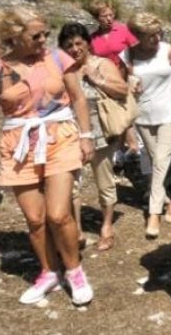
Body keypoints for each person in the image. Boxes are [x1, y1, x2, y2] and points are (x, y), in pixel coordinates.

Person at [0, 8, 95, 306]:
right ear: (15, 36)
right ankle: (49, 272)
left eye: (45, 34)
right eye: (36, 35)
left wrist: (87, 136)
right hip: (18, 147)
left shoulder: (57, 59)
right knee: (35, 219)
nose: (44, 40)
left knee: (58, 213)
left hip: (60, 137)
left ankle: (75, 271)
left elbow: (78, 98)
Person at [58, 22, 128, 251]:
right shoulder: (62, 71)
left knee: (104, 181)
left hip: (100, 131)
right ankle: (76, 230)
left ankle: (107, 225)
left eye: (79, 43)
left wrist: (97, 79)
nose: (74, 49)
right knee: (71, 185)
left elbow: (122, 90)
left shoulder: (102, 64)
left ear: (87, 44)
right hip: (69, 133)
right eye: (69, 45)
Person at [122, 13, 171, 238]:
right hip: (143, 115)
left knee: (160, 162)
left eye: (158, 34)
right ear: (137, 36)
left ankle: (153, 213)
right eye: (150, 36)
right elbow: (122, 85)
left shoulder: (167, 50)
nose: (156, 38)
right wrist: (129, 83)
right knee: (158, 161)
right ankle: (170, 200)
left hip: (169, 113)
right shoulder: (128, 55)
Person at [86, 0, 138, 70]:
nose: (109, 18)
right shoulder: (92, 39)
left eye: (111, 15)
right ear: (96, 18)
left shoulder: (123, 30)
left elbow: (138, 51)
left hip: (126, 74)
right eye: (104, 16)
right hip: (106, 77)